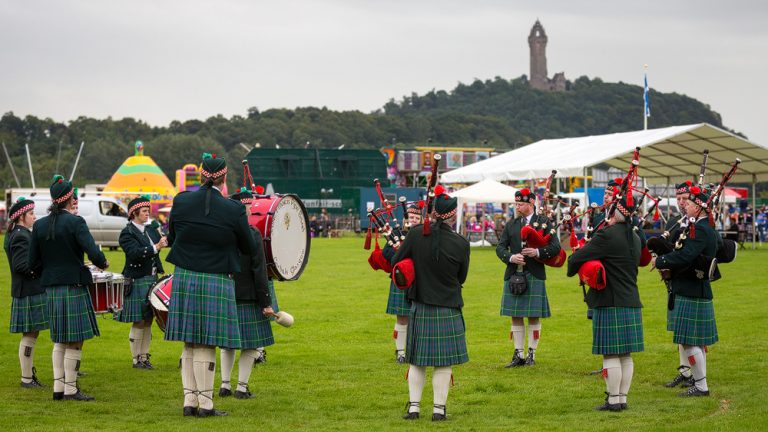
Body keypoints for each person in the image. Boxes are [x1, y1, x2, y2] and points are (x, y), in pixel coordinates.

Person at [164, 153, 257, 417]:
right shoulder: (234, 208)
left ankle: (188, 402)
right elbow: (248, 246)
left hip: (184, 276)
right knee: (206, 343)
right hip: (216, 277)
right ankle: (205, 405)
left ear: (202, 174)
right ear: (224, 177)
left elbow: (172, 236)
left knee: (190, 342)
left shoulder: (181, 201)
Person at [29, 175, 109, 401]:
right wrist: (103, 263)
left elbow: (31, 262)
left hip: (51, 287)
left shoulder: (39, 224)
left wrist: (47, 274)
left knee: (59, 338)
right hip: (73, 285)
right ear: (68, 198)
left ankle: (58, 388)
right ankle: (71, 389)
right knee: (75, 339)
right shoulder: (76, 222)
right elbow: (92, 251)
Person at [392, 190, 470, 421]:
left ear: (433, 212)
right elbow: (462, 277)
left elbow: (397, 264)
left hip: (420, 304)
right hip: (448, 306)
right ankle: (439, 410)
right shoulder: (461, 243)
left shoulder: (416, 235)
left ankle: (414, 408)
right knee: (443, 363)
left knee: (417, 361)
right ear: (452, 216)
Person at [567, 195, 643, 411]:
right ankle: (622, 399)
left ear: (613, 212)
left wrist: (575, 261)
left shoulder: (606, 235)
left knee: (610, 353)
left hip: (609, 300)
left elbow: (578, 258)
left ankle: (612, 401)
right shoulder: (635, 238)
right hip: (631, 299)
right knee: (625, 355)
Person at [654, 186, 719, 397]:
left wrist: (661, 260)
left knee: (690, 343)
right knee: (693, 342)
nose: (686, 206)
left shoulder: (700, 229)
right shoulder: (701, 227)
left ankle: (701, 386)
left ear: (699, 208)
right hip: (693, 288)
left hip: (691, 289)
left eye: (690, 203)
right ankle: (700, 384)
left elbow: (685, 256)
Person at [219, 188, 274, 399]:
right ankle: (241, 388)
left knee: (227, 344)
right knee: (250, 345)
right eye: (247, 206)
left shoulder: (223, 233)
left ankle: (225, 385)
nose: (250, 209)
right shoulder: (252, 234)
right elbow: (259, 270)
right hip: (248, 296)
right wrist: (266, 302)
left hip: (225, 294)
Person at [496, 188, 560, 367]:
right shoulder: (512, 224)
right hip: (514, 272)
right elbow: (500, 248)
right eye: (516, 203)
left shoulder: (544, 222)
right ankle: (519, 354)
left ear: (531, 203)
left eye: (520, 204)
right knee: (515, 315)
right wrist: (510, 257)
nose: (517, 206)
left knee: (533, 315)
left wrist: (537, 251)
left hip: (534, 273)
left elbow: (555, 247)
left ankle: (532, 353)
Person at [117, 196, 167, 369]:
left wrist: (163, 241)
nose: (148, 214)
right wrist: (155, 247)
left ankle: (144, 356)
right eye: (144, 211)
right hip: (137, 278)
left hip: (151, 279)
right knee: (138, 320)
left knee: (148, 319)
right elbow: (134, 253)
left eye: (148, 210)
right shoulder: (127, 233)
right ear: (134, 213)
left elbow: (159, 245)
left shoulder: (150, 230)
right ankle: (135, 358)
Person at [5, 197, 48, 388]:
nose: (34, 216)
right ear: (21, 217)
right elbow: (22, 266)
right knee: (30, 334)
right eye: (31, 214)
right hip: (28, 290)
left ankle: (28, 376)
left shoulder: (19, 233)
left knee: (32, 334)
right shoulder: (21, 236)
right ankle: (26, 378)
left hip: (28, 290)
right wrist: (43, 268)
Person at [660, 181, 697, 389]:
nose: (682, 203)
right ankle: (685, 371)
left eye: (685, 199)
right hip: (673, 280)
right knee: (680, 332)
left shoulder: (697, 223)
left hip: (690, 280)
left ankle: (696, 374)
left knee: (693, 334)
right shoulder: (674, 222)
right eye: (679, 199)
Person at [382, 202, 423, 364]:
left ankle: (414, 350)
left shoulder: (424, 233)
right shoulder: (397, 233)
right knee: (402, 318)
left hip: (419, 280)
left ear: (421, 219)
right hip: (400, 280)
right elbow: (386, 254)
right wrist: (398, 251)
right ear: (405, 218)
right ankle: (400, 352)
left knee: (418, 317)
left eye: (416, 217)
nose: (413, 220)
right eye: (410, 217)